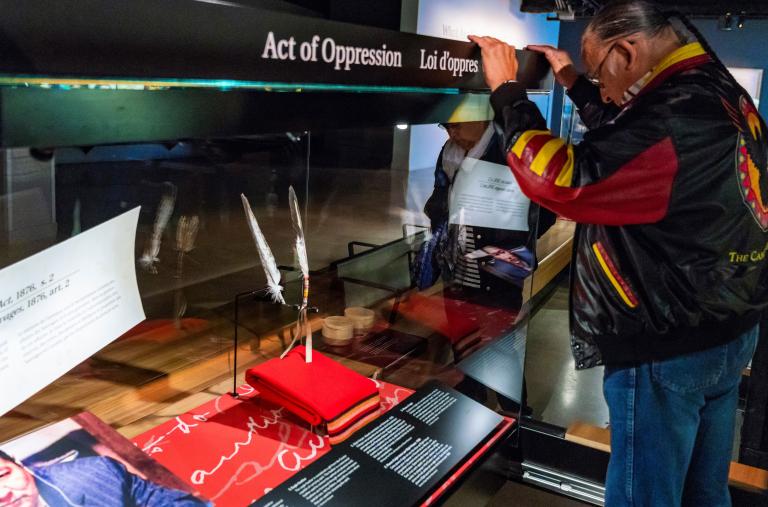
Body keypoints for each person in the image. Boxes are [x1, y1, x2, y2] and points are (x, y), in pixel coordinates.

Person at [469, 1, 767, 505]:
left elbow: (563, 178)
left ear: (626, 51)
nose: (602, 90)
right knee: (703, 493)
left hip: (664, 339)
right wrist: (578, 86)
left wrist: (507, 93)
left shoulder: (676, 115)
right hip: (726, 328)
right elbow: (635, 145)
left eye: (597, 73)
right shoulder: (714, 88)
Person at [0, 449, 208, 506]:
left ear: (20, 465)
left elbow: (163, 501)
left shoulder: (92, 474)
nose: (3, 495)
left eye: (3, 474)